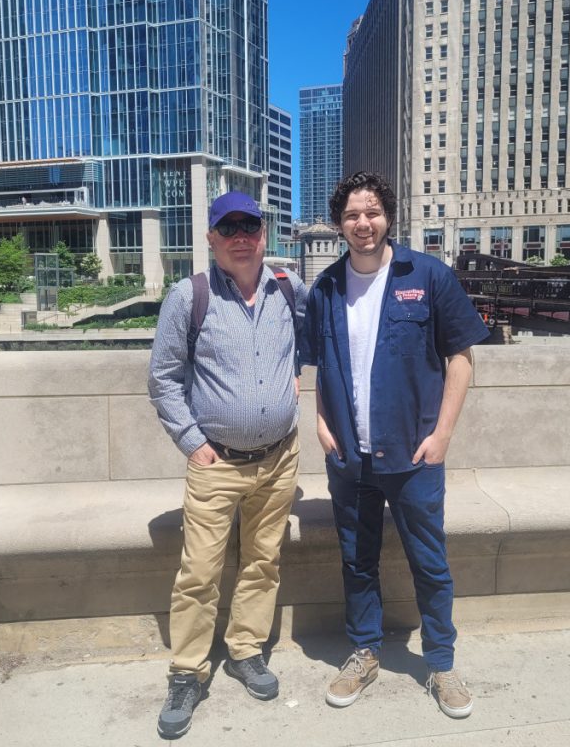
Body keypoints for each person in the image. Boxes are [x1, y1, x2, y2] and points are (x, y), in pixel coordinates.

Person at [301, 171, 488, 719]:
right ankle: (365, 652)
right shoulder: (327, 287)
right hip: (349, 458)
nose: (363, 223)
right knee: (357, 562)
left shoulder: (427, 276)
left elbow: (461, 358)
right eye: (353, 215)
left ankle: (441, 662)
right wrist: (321, 422)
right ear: (340, 225)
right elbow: (321, 363)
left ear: (388, 217)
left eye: (372, 212)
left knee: (429, 562)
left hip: (413, 455)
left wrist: (443, 434)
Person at [148, 190, 306, 739]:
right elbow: (163, 380)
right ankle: (187, 671)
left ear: (264, 235)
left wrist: (297, 382)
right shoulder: (187, 296)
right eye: (229, 227)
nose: (242, 236)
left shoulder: (288, 289)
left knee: (263, 561)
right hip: (216, 462)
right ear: (212, 239)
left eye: (251, 226)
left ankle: (245, 650)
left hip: (280, 457)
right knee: (199, 572)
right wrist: (193, 442)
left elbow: (325, 336)